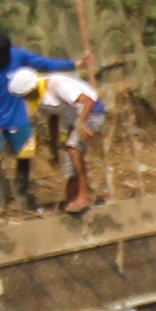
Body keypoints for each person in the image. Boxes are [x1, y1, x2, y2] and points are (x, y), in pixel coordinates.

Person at [0, 31, 70, 207]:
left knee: (25, 156)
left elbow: (44, 64)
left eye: (4, 56)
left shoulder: (19, 56)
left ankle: (21, 195)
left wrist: (73, 64)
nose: (1, 60)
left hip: (17, 116)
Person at [23, 62, 107, 214]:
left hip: (92, 114)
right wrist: (54, 150)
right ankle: (74, 197)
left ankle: (84, 195)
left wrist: (81, 125)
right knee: (69, 162)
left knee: (74, 149)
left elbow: (88, 101)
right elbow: (53, 120)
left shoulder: (56, 84)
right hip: (74, 121)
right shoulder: (38, 98)